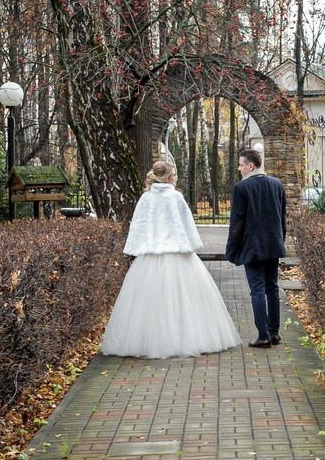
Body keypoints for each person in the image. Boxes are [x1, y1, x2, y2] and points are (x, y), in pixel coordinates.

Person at [98, 159, 241, 358]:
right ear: (167, 177)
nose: (176, 178)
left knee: (148, 302)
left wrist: (137, 247)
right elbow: (186, 223)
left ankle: (148, 341)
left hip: (150, 258)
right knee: (185, 300)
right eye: (173, 175)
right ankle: (185, 339)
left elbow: (139, 224)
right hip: (177, 255)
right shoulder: (175, 197)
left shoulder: (146, 198)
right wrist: (190, 244)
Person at [225, 145, 287, 349]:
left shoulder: (241, 188)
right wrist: (281, 240)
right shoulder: (277, 184)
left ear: (250, 166)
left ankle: (263, 336)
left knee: (257, 290)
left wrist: (232, 249)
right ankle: (274, 333)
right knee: (272, 288)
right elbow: (282, 217)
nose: (239, 169)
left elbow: (237, 222)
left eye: (241, 165)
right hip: (273, 244)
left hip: (252, 247)